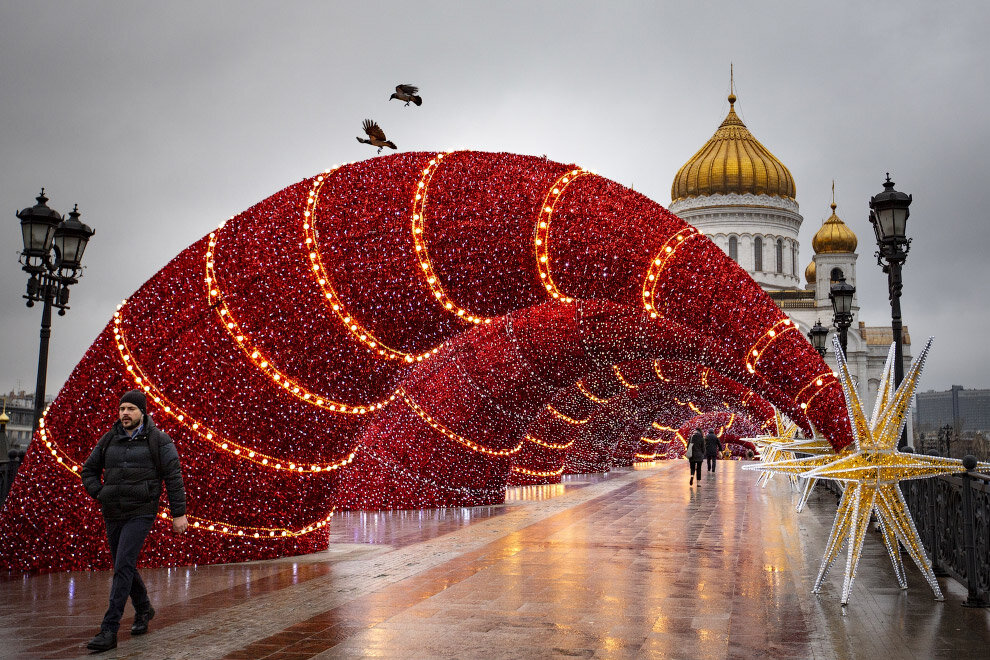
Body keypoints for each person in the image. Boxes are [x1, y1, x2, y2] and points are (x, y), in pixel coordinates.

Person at [80, 389, 187, 652]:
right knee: (122, 564)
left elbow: (173, 477)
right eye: (122, 409)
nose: (125, 414)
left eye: (131, 409)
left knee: (124, 564)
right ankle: (143, 609)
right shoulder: (109, 439)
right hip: (113, 510)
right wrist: (100, 492)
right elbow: (88, 470)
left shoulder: (159, 440)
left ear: (142, 412)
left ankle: (109, 630)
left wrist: (179, 514)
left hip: (141, 510)